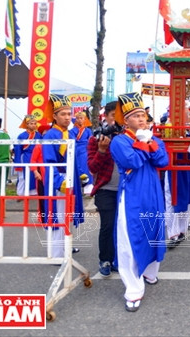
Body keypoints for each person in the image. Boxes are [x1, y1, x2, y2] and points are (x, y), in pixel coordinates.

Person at [109, 92, 169, 312]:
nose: (142, 119)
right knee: (130, 237)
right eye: (135, 116)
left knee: (153, 231)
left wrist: (150, 144)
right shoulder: (119, 141)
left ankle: (150, 271)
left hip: (153, 192)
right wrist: (145, 145)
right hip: (133, 194)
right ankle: (133, 288)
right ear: (125, 120)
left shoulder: (153, 138)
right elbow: (131, 160)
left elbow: (163, 160)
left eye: (143, 115)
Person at [41, 95, 85, 258]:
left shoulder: (70, 134)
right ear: (54, 116)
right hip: (58, 179)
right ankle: (56, 253)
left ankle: (66, 247)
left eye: (69, 113)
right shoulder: (51, 135)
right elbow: (49, 162)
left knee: (68, 213)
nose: (67, 117)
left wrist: (80, 173)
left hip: (70, 177)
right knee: (58, 216)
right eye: (63, 114)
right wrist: (59, 182)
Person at [87, 101, 120, 277]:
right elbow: (92, 167)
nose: (116, 120)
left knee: (123, 226)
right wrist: (101, 150)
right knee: (107, 225)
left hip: (126, 190)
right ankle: (105, 259)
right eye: (113, 115)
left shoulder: (128, 137)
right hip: (105, 189)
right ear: (106, 116)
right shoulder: (95, 139)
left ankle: (119, 260)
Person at [13, 115, 39, 197]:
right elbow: (17, 149)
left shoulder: (38, 135)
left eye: (35, 123)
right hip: (25, 156)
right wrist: (17, 162)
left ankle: (33, 192)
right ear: (27, 124)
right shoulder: (21, 136)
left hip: (35, 157)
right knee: (22, 175)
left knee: (34, 175)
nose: (33, 125)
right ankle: (20, 193)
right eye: (31, 123)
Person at [70, 111, 94, 196]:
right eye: (78, 118)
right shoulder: (72, 131)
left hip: (86, 150)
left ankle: (88, 187)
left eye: (81, 118)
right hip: (76, 149)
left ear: (85, 119)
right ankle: (78, 187)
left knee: (87, 167)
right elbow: (72, 140)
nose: (80, 120)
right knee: (77, 167)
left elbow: (91, 140)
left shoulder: (88, 130)